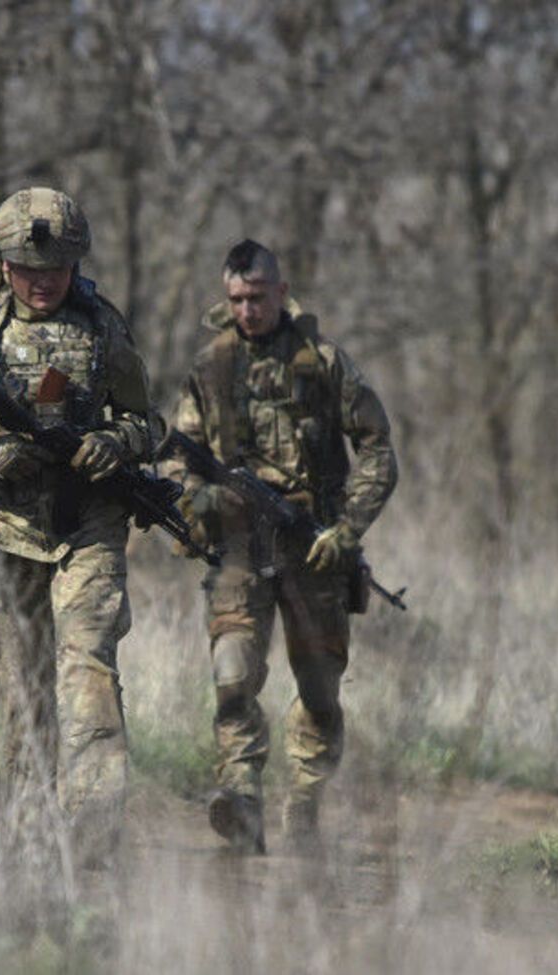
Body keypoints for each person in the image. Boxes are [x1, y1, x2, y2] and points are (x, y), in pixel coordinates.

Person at [0, 187, 164, 839]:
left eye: (55, 268)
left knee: (89, 669)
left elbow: (146, 421)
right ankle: (33, 832)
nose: (42, 281)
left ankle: (94, 836)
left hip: (86, 529)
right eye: (26, 267)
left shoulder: (103, 326)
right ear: (2, 264)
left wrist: (113, 442)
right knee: (23, 694)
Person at [164, 239, 398, 853]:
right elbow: (176, 460)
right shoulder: (209, 367)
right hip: (239, 550)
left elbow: (378, 449)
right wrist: (200, 506)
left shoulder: (323, 363)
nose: (247, 310)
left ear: (282, 291)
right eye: (236, 298)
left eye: (258, 297)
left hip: (313, 548)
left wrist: (347, 529)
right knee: (233, 673)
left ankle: (307, 803)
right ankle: (240, 796)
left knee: (319, 689)